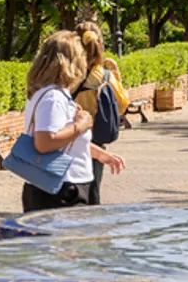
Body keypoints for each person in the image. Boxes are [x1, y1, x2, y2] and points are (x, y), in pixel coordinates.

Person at [22, 31, 126, 212]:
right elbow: (45, 142)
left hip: (59, 184)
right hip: (61, 189)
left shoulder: (50, 94)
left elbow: (61, 139)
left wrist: (99, 154)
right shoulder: (53, 98)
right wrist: (81, 125)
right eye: (81, 57)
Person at [73, 22, 130, 205]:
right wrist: (116, 75)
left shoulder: (68, 73)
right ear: (100, 45)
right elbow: (121, 105)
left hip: (67, 137)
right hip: (95, 139)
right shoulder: (104, 76)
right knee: (92, 189)